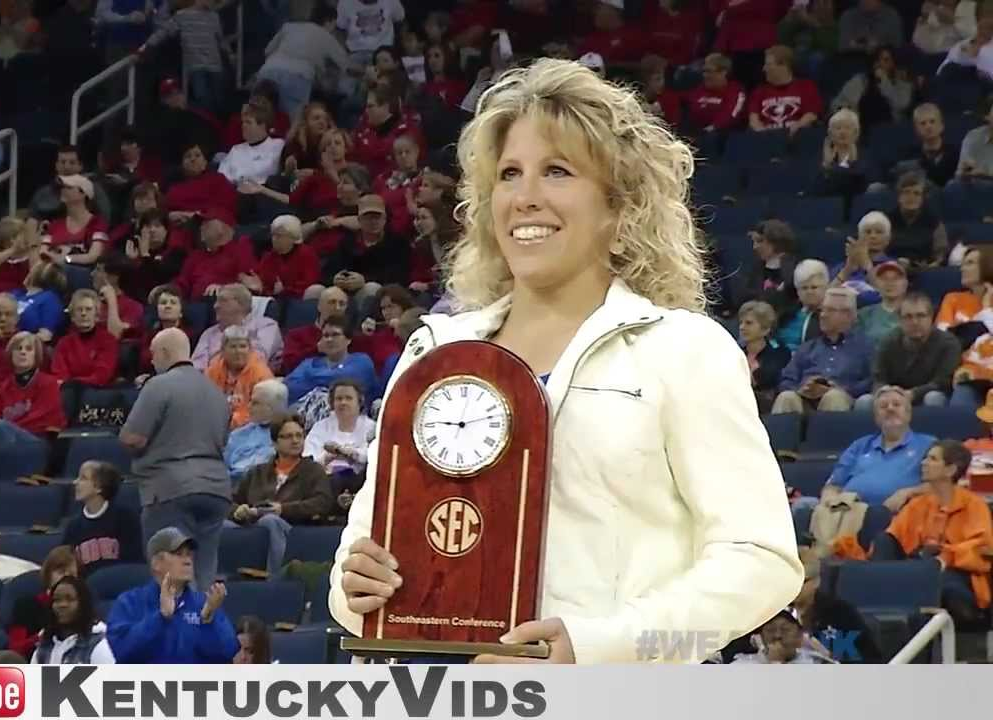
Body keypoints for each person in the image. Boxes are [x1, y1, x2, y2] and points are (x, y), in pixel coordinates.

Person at [330, 58, 802, 664]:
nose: (525, 198)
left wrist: (602, 647)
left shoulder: (685, 349)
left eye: (557, 172)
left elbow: (762, 564)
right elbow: (359, 567)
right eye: (508, 174)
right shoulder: (435, 354)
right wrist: (357, 585)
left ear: (618, 206)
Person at [121, 328, 231, 592]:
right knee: (204, 574)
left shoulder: (158, 385)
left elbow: (133, 438)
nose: (152, 361)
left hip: (170, 489)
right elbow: (224, 440)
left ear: (166, 353)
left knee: (172, 577)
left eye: (154, 355)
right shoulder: (217, 393)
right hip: (216, 489)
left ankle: (179, 629)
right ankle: (203, 625)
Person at [870, 440, 992, 627]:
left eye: (933, 459)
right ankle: (880, 597)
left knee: (941, 582)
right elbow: (893, 538)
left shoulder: (975, 505)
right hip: (917, 569)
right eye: (925, 457)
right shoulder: (917, 505)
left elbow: (982, 547)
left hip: (957, 576)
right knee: (883, 541)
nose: (923, 462)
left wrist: (946, 556)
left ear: (951, 470)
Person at [105, 527, 237, 663]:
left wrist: (208, 620)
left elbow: (227, 653)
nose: (188, 561)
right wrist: (160, 617)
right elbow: (121, 650)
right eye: (179, 554)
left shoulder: (205, 604)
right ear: (156, 563)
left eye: (189, 555)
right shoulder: (130, 602)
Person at [230, 413, 334, 575]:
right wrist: (237, 511)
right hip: (253, 522)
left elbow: (323, 502)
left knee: (271, 520)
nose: (295, 440)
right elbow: (230, 501)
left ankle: (276, 577)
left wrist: (283, 509)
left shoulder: (313, 471)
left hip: (292, 527)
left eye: (299, 435)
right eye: (288, 436)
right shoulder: (257, 472)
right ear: (275, 443)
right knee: (220, 526)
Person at [818, 386, 935, 509]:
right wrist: (830, 502)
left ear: (908, 413)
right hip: (849, 511)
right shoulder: (859, 445)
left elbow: (941, 484)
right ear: (876, 418)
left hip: (900, 515)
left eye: (896, 404)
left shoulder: (928, 444)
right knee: (805, 505)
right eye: (883, 406)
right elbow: (833, 486)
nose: (890, 409)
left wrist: (908, 492)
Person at [773, 287, 873, 414]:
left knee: (834, 397)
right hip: (806, 400)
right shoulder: (808, 347)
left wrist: (842, 389)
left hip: (845, 400)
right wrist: (801, 388)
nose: (823, 315)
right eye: (822, 310)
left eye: (830, 310)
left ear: (848, 315)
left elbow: (872, 382)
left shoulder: (864, 347)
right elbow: (786, 379)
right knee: (786, 397)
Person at [866, 293, 960, 409]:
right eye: (908, 317)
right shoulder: (889, 341)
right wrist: (885, 390)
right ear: (900, 320)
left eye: (920, 316)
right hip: (893, 397)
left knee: (933, 397)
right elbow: (878, 377)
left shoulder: (948, 343)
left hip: (928, 394)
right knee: (865, 401)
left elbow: (943, 382)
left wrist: (913, 394)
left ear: (931, 318)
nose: (915, 322)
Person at [63, 461, 143, 577]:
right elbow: (64, 562)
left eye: (83, 478)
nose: (75, 482)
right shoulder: (73, 526)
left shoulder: (125, 518)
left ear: (99, 487)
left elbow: (133, 563)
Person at [191, 284, 283, 371]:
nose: (215, 306)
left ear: (242, 304)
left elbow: (258, 357)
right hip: (213, 381)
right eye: (216, 301)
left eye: (222, 300)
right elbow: (197, 366)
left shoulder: (266, 326)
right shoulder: (209, 333)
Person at [7, 546, 78, 658]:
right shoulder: (26, 605)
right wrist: (40, 638)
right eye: (61, 572)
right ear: (48, 574)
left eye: (72, 575)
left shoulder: (83, 606)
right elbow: (15, 649)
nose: (66, 578)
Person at [33, 575, 115, 664]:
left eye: (70, 599)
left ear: (83, 604)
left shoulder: (99, 645)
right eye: (56, 600)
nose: (62, 605)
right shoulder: (44, 646)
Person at [206, 327, 274, 430]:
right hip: (214, 427)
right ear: (222, 350)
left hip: (249, 430)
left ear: (250, 349)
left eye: (243, 346)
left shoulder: (262, 375)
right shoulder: (212, 372)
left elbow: (262, 413)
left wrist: (231, 422)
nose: (238, 351)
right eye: (233, 347)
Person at [225, 379, 289, 483]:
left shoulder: (283, 438)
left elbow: (251, 472)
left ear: (271, 408)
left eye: (255, 403)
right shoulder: (241, 432)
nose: (249, 407)